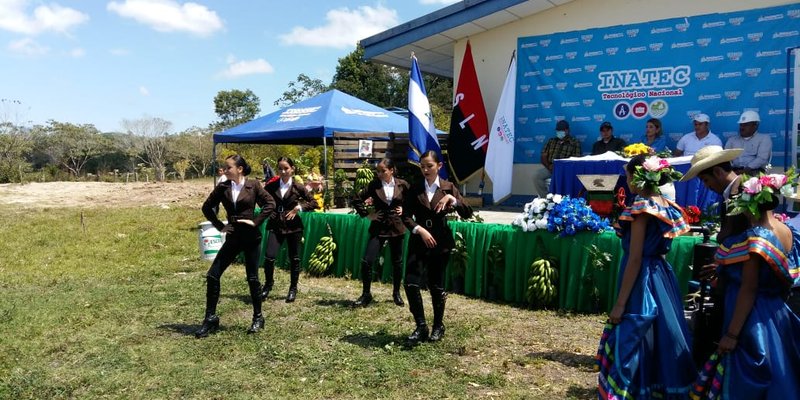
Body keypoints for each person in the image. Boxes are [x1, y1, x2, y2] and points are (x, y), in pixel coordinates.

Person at [691, 172, 800, 398]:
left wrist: (731, 334)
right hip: (777, 313)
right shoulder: (787, 230)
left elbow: (749, 288)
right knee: (779, 372)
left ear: (746, 202)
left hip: (751, 319)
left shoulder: (756, 239)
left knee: (749, 373)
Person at [596, 154, 696, 398]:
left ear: (637, 177)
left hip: (643, 278)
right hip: (662, 276)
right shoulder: (665, 204)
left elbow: (635, 257)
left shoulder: (642, 207)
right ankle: (661, 384)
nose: (627, 180)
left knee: (638, 329)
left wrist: (620, 304)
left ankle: (636, 388)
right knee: (664, 332)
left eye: (628, 175)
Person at [196, 154, 276, 338]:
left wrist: (255, 222)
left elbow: (270, 204)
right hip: (233, 237)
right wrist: (220, 226)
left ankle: (258, 317)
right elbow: (207, 207)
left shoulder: (253, 185)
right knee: (213, 275)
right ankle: (210, 319)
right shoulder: (223, 186)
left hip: (251, 237)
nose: (225, 170)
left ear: (239, 169)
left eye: (228, 167)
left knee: (252, 278)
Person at [401, 150, 472, 343]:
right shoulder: (415, 189)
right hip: (420, 240)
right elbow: (405, 215)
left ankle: (438, 326)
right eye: (422, 166)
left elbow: (467, 212)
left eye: (429, 166)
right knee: (410, 282)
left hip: (440, 242)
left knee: (436, 285)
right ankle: (421, 326)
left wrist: (453, 200)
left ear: (439, 166)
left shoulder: (448, 187)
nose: (425, 170)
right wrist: (419, 230)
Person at [351, 159, 409, 307]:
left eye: (383, 171)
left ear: (391, 170)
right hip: (379, 227)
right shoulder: (374, 185)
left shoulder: (403, 184)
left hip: (397, 226)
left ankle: (396, 293)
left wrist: (406, 210)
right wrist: (368, 214)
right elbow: (356, 199)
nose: (380, 174)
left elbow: (414, 200)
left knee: (397, 262)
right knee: (367, 260)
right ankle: (366, 294)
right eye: (378, 171)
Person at [261, 156, 317, 303]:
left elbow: (313, 202)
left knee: (294, 258)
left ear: (292, 169)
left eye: (286, 168)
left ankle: (293, 288)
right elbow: (261, 199)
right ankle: (268, 284)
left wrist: (298, 208)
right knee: (269, 256)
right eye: (280, 168)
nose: (283, 171)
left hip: (294, 227)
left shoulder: (298, 187)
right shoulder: (271, 185)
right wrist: (270, 211)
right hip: (276, 224)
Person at [533, 119, 582, 197]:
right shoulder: (551, 141)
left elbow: (576, 160)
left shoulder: (575, 142)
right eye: (558, 130)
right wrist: (549, 166)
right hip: (550, 168)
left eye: (562, 130)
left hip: (565, 170)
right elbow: (543, 156)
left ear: (568, 130)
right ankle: (545, 199)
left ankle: (564, 201)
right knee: (537, 176)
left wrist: (560, 167)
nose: (560, 132)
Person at [725, 110, 772, 175]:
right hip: (735, 171)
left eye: (746, 125)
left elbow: (762, 159)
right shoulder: (732, 140)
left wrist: (744, 171)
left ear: (755, 126)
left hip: (755, 171)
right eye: (741, 125)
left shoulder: (764, 138)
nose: (742, 127)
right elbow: (725, 158)